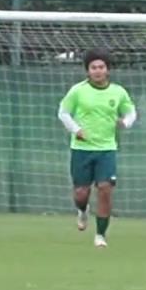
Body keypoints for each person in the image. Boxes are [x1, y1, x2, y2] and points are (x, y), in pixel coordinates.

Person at [58, 49, 137, 248]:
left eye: (101, 67)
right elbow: (63, 113)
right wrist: (76, 130)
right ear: (88, 71)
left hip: (107, 149)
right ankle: (82, 210)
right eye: (93, 67)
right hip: (81, 149)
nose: (97, 71)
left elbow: (131, 112)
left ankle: (100, 235)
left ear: (107, 70)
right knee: (81, 193)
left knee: (105, 189)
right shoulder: (78, 91)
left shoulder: (118, 92)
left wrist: (125, 122)